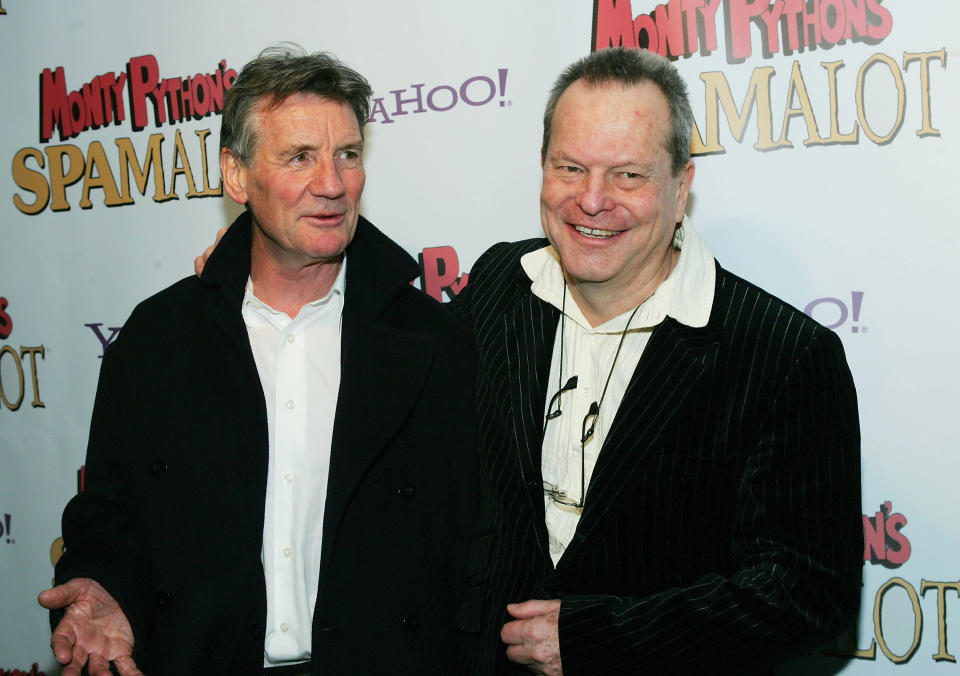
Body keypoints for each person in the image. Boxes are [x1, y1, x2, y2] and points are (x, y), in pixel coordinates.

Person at [39, 45, 477, 676]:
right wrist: (104, 585)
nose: (331, 183)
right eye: (300, 156)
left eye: (347, 155)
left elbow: (472, 548)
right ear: (237, 175)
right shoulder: (158, 337)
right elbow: (114, 510)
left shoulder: (434, 341)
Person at [450, 47, 861, 674]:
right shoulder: (500, 286)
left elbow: (806, 592)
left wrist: (599, 641)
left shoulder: (785, 356)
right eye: (570, 167)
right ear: (542, 167)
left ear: (682, 186)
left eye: (628, 176)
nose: (591, 200)